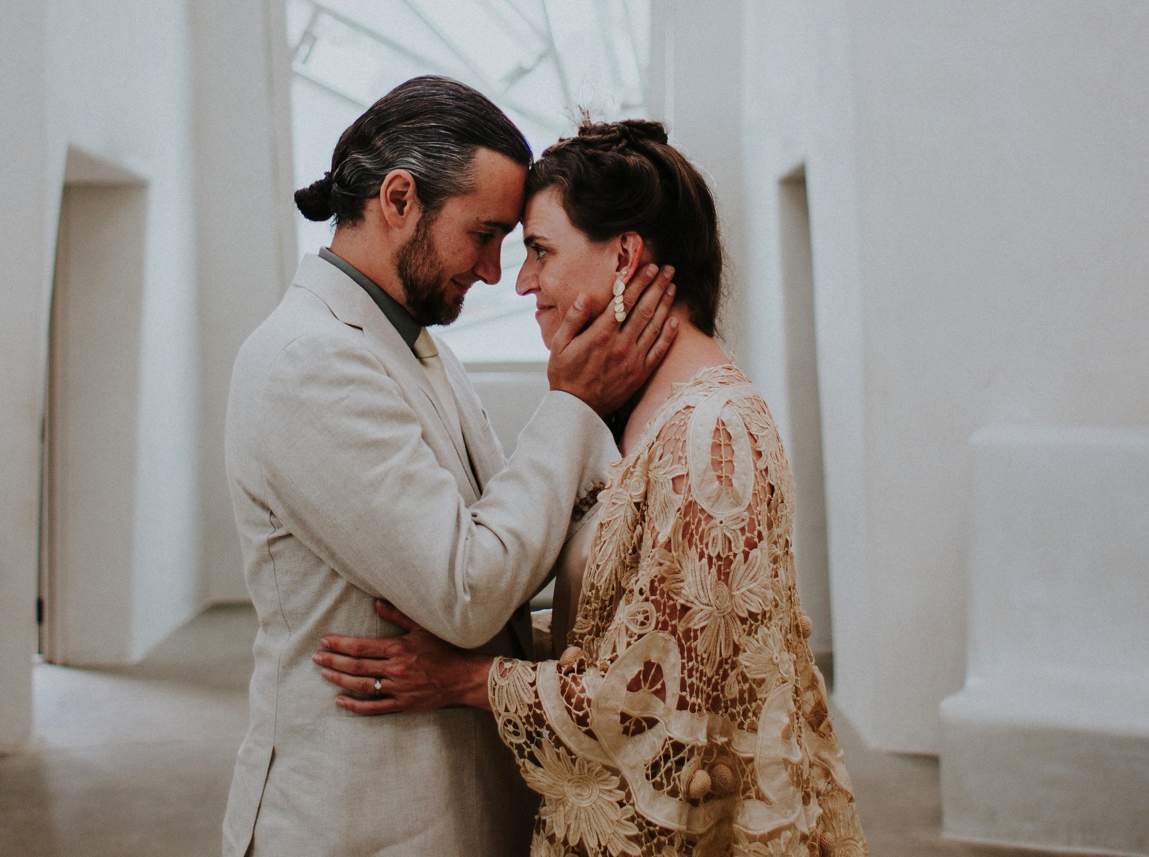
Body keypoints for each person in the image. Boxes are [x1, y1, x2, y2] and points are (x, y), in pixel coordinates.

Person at [314, 119, 869, 857]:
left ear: (626, 255)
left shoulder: (711, 436)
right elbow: (647, 635)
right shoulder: (651, 421)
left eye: (540, 250)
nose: (520, 281)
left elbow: (668, 706)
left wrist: (472, 679)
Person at [223, 79, 682, 857]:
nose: (499, 272)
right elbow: (469, 590)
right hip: (359, 819)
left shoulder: (410, 340)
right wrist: (571, 403)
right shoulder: (310, 359)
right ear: (399, 198)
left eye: (517, 241)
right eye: (485, 233)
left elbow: (511, 553)